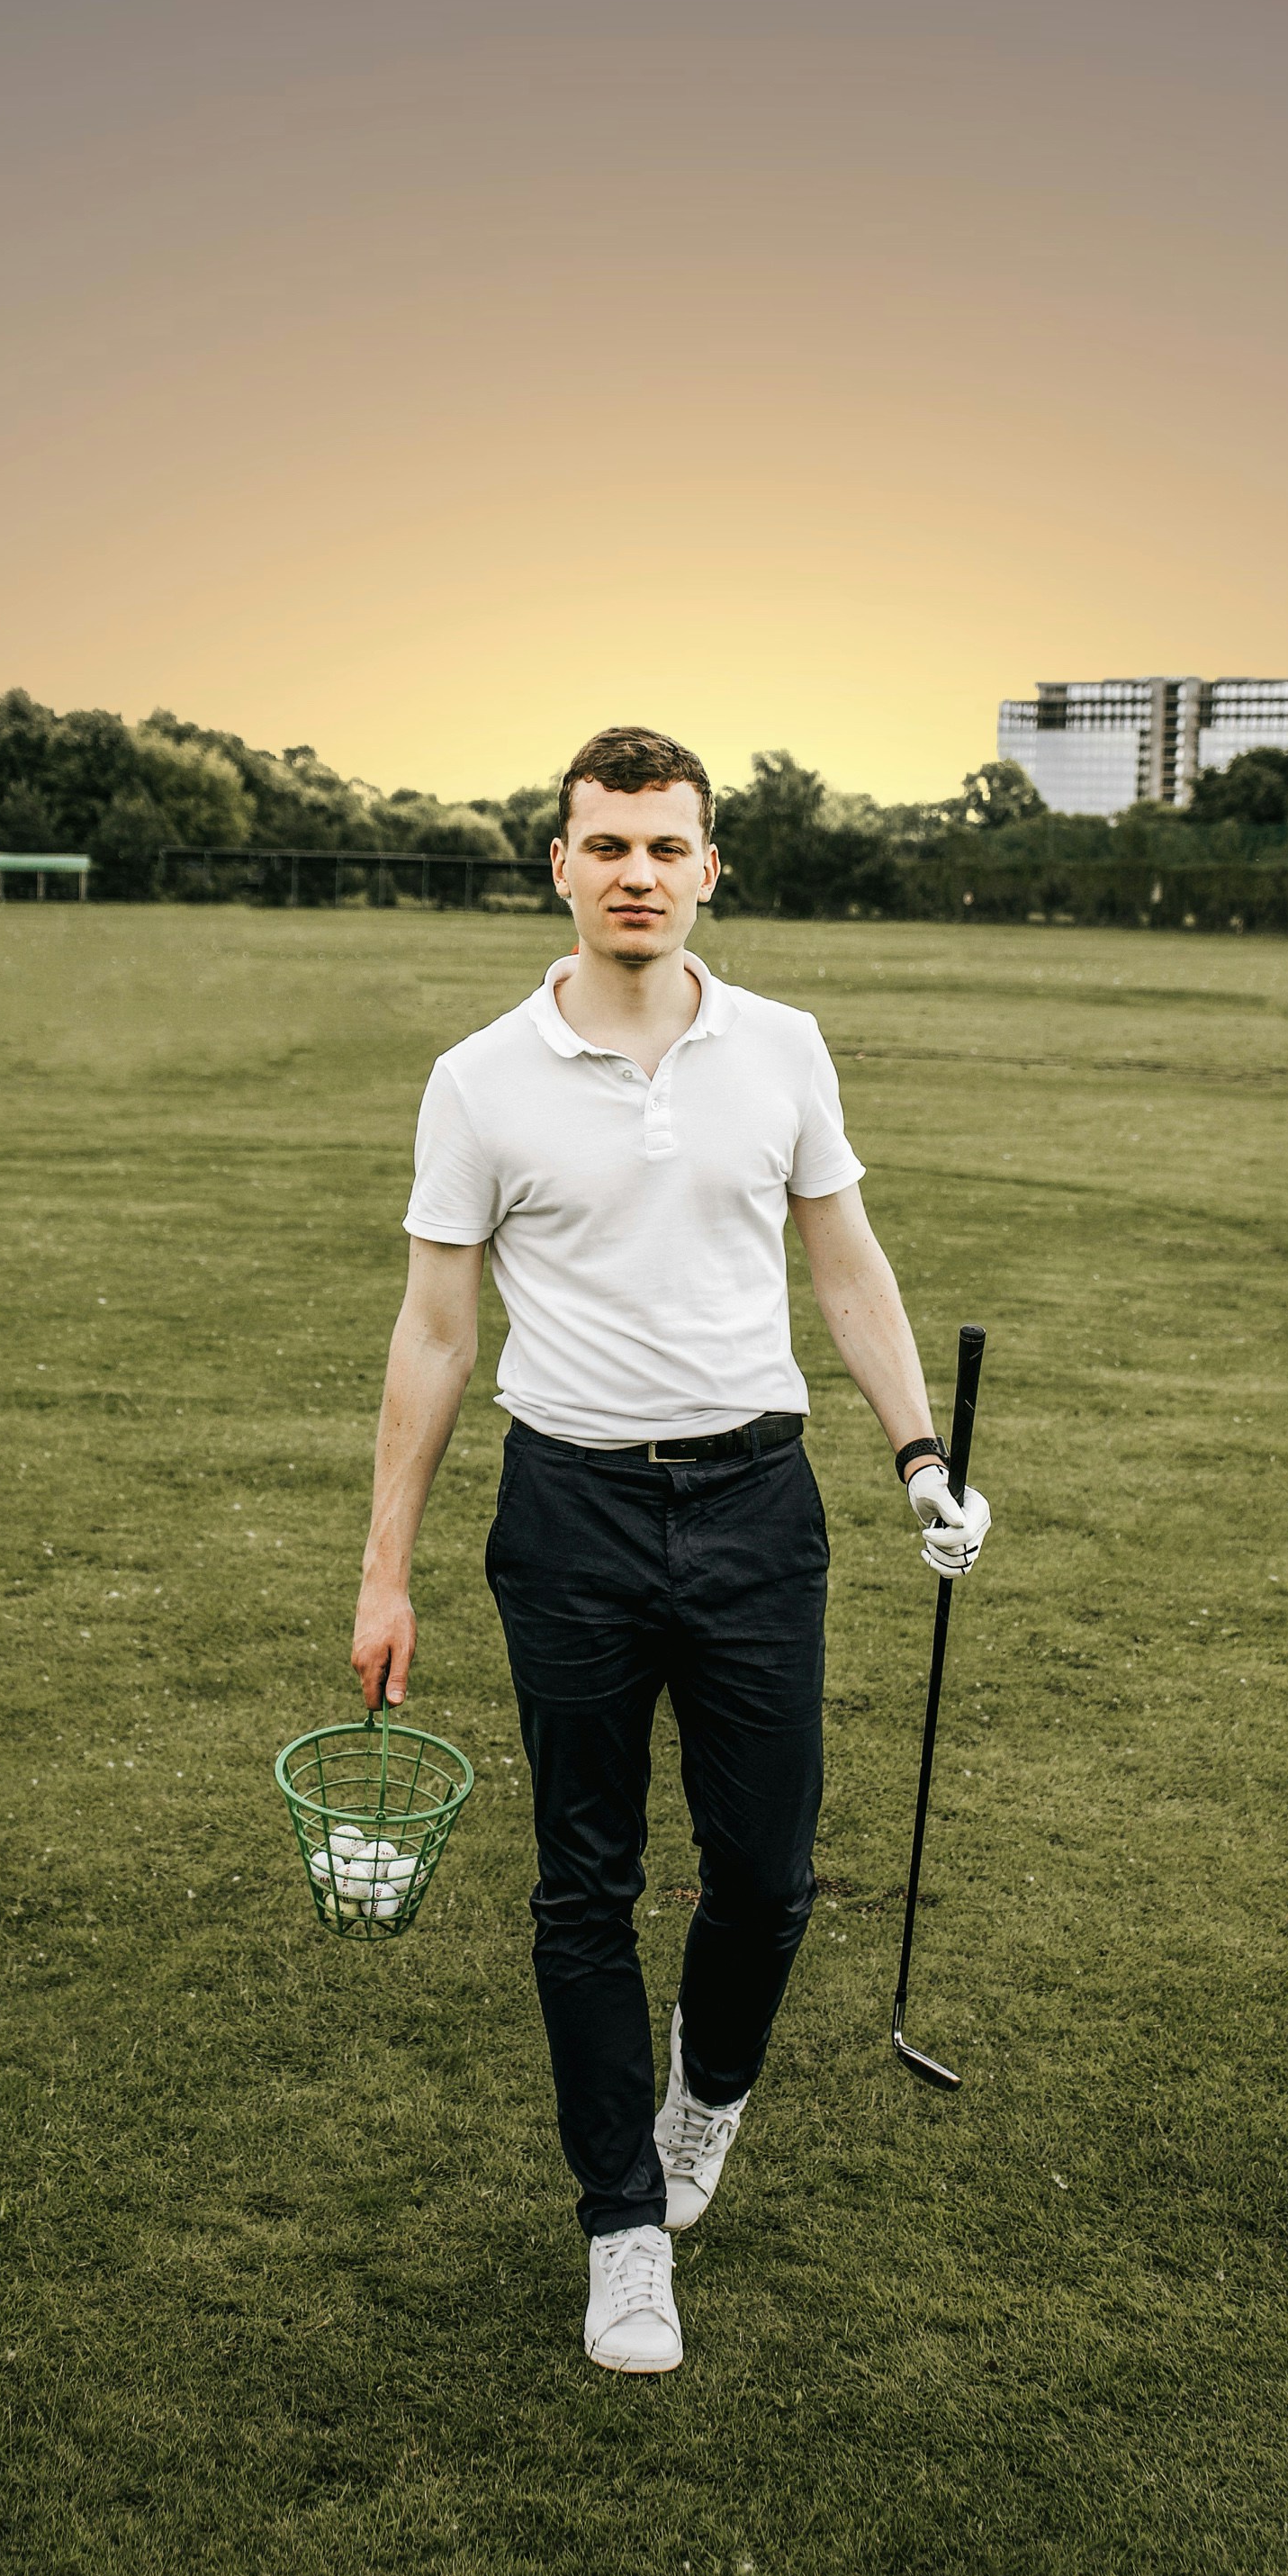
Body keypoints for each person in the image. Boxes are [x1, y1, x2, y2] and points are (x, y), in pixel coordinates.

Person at [351, 725, 992, 2374]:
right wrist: (384, 1570)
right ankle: (623, 2226)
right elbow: (434, 1335)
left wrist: (921, 1457)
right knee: (586, 1885)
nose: (636, 875)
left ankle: (706, 2097)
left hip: (756, 1505)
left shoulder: (782, 1048)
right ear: (557, 865)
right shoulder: (477, 1078)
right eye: (606, 847)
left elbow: (846, 1267)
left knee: (769, 1879)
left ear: (712, 868)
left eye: (665, 848)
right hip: (566, 1514)